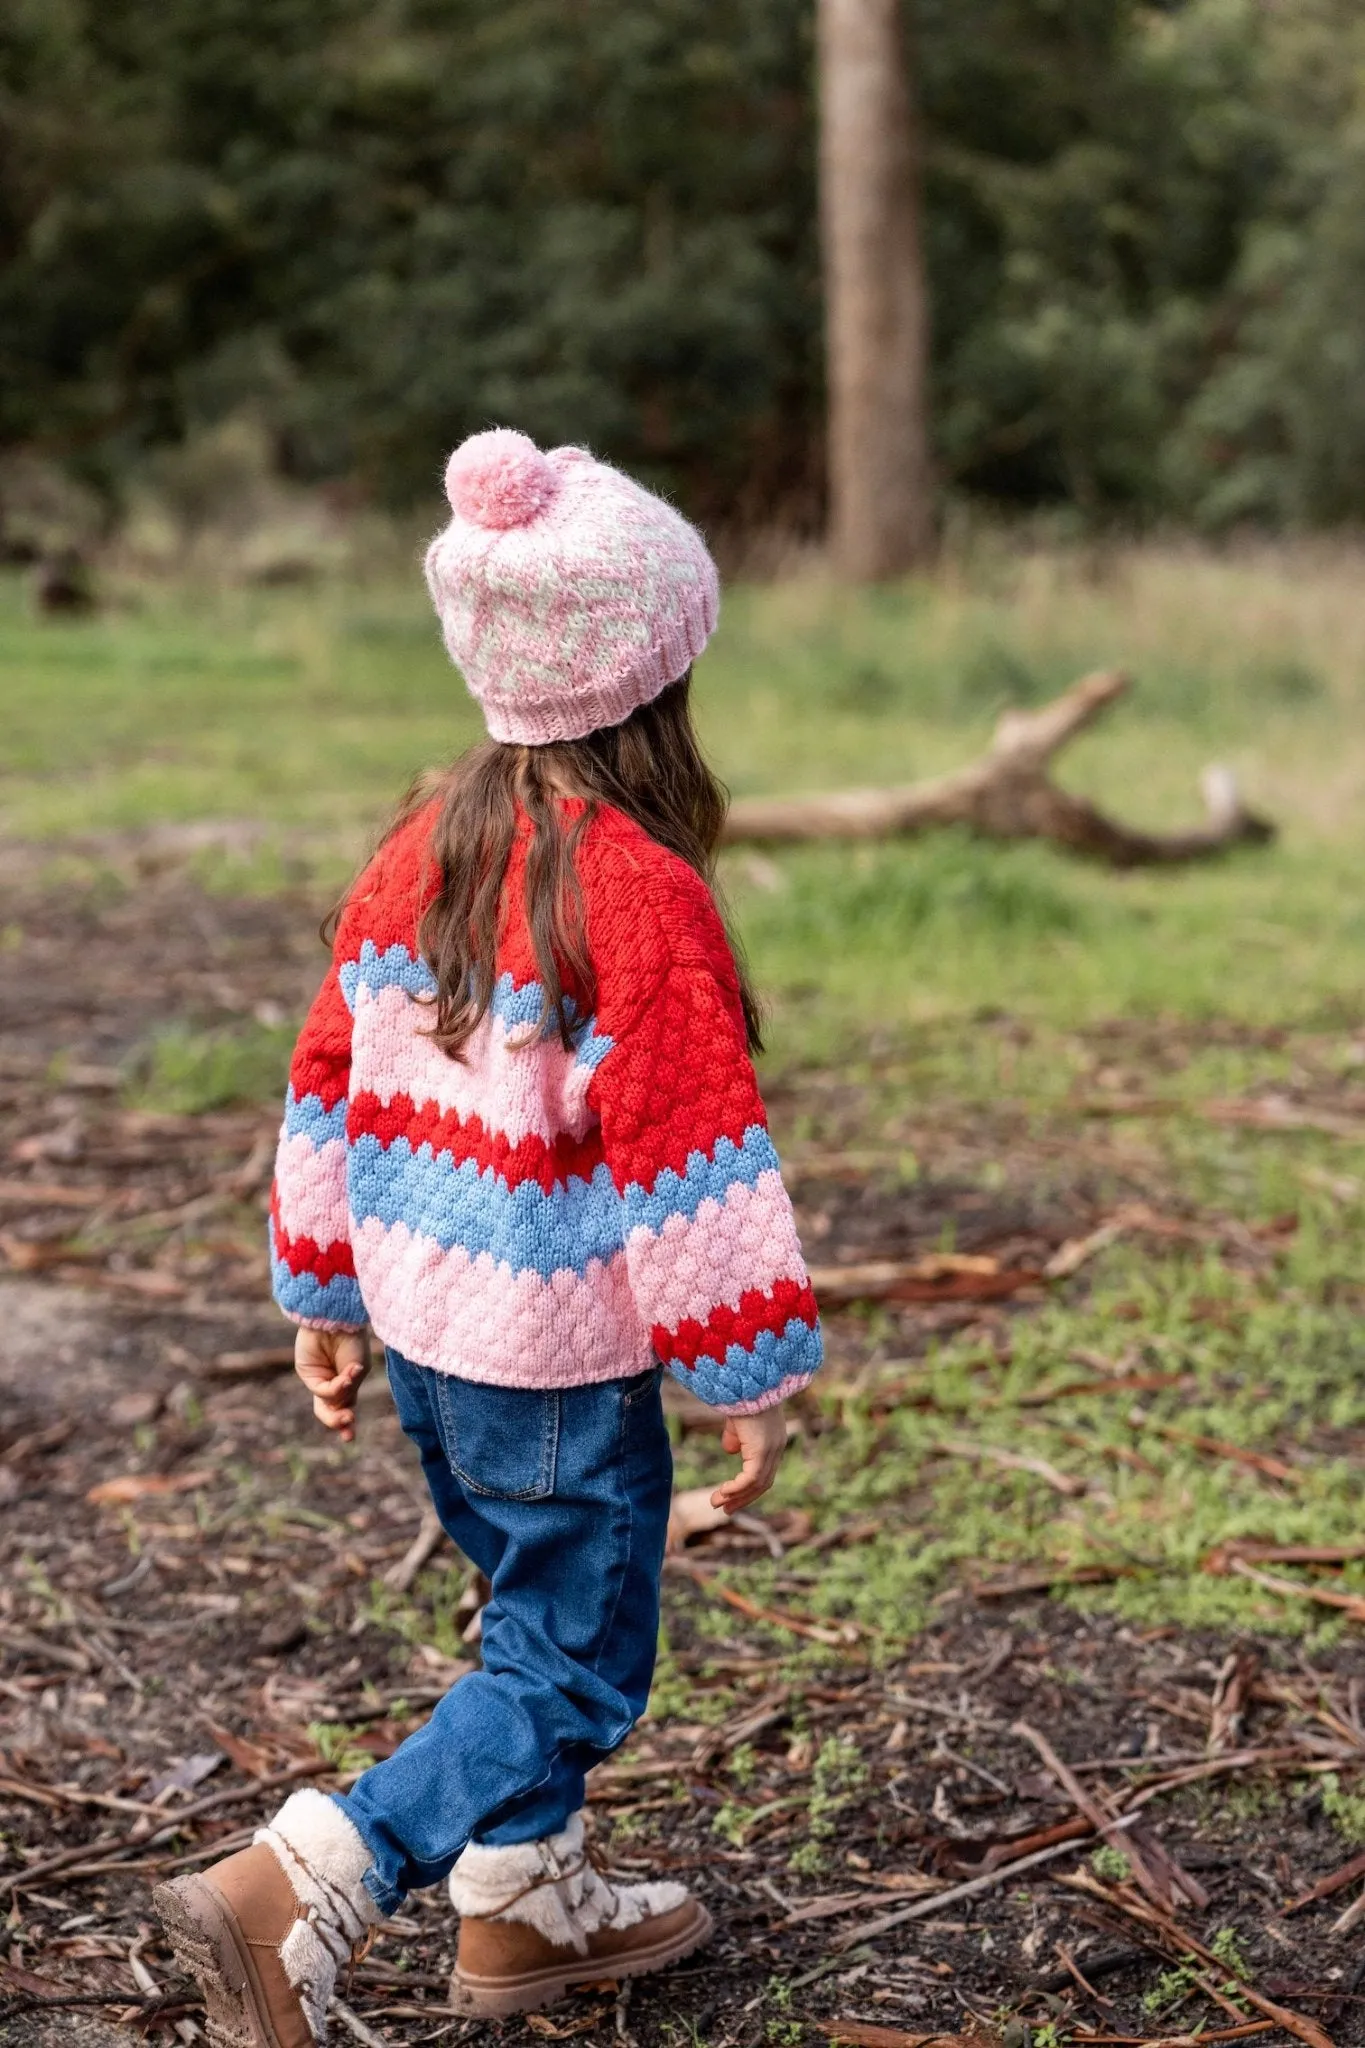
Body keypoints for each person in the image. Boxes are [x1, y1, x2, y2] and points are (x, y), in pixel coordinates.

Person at [154, 429, 822, 2043]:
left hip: (431, 1341)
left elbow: (331, 1072)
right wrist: (748, 1368)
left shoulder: (421, 848)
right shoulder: (640, 893)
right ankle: (311, 1875)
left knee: (527, 1603)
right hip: (559, 1364)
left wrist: (319, 1285)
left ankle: (523, 1904)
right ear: (657, 679)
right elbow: (690, 1158)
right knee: (571, 1664)